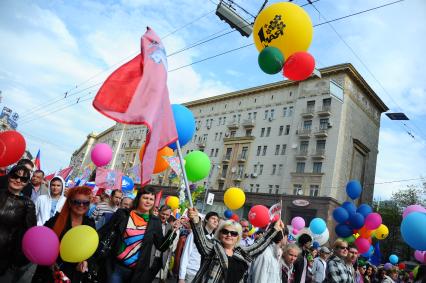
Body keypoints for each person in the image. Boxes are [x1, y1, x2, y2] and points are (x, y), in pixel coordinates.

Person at [98, 185, 180, 283]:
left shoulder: (154, 221)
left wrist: (173, 231)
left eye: (151, 199)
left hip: (137, 272)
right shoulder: (123, 214)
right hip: (116, 268)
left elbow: (161, 246)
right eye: (145, 198)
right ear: (138, 198)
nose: (148, 201)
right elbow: (104, 232)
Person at [187, 207, 284, 283]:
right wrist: (195, 220)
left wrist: (275, 229)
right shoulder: (212, 249)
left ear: (238, 237)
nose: (229, 235)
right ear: (219, 234)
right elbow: (201, 239)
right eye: (225, 232)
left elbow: (259, 245)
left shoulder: (241, 252)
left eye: (233, 233)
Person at [32, 186, 95, 283]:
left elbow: (91, 247)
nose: (81, 205)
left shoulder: (90, 224)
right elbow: (42, 240)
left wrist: (85, 261)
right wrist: (49, 259)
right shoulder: (56, 220)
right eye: (77, 202)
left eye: (85, 203)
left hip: (73, 272)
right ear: (69, 202)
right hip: (50, 270)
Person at [0, 165, 36, 282]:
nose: (18, 180)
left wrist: (18, 259)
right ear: (9, 176)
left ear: (26, 183)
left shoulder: (28, 204)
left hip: (4, 256)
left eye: (23, 179)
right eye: (15, 176)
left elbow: (30, 234)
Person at [178, 211, 219, 283]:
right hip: (191, 273)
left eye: (217, 220)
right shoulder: (194, 234)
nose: (215, 221)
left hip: (203, 275)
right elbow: (185, 255)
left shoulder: (214, 240)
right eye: (213, 218)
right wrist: (181, 277)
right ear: (206, 220)